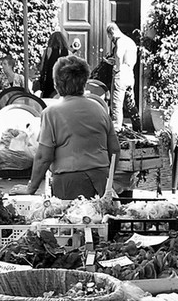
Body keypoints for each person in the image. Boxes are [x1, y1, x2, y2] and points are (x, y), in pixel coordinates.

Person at [28, 55, 118, 200]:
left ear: (57, 84)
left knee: (73, 219)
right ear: (84, 81)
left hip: (69, 183)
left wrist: (31, 188)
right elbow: (115, 150)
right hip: (102, 179)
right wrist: (108, 177)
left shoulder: (52, 113)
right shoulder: (100, 109)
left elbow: (44, 157)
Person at [105, 23, 138, 130]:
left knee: (116, 105)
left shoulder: (120, 40)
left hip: (121, 75)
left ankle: (116, 131)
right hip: (129, 74)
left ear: (112, 32)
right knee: (130, 103)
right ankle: (138, 127)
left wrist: (117, 67)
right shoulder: (130, 41)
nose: (111, 40)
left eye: (109, 37)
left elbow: (119, 55)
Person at [37, 33, 68, 98]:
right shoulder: (68, 52)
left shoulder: (48, 51)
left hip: (49, 80)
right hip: (63, 81)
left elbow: (42, 67)